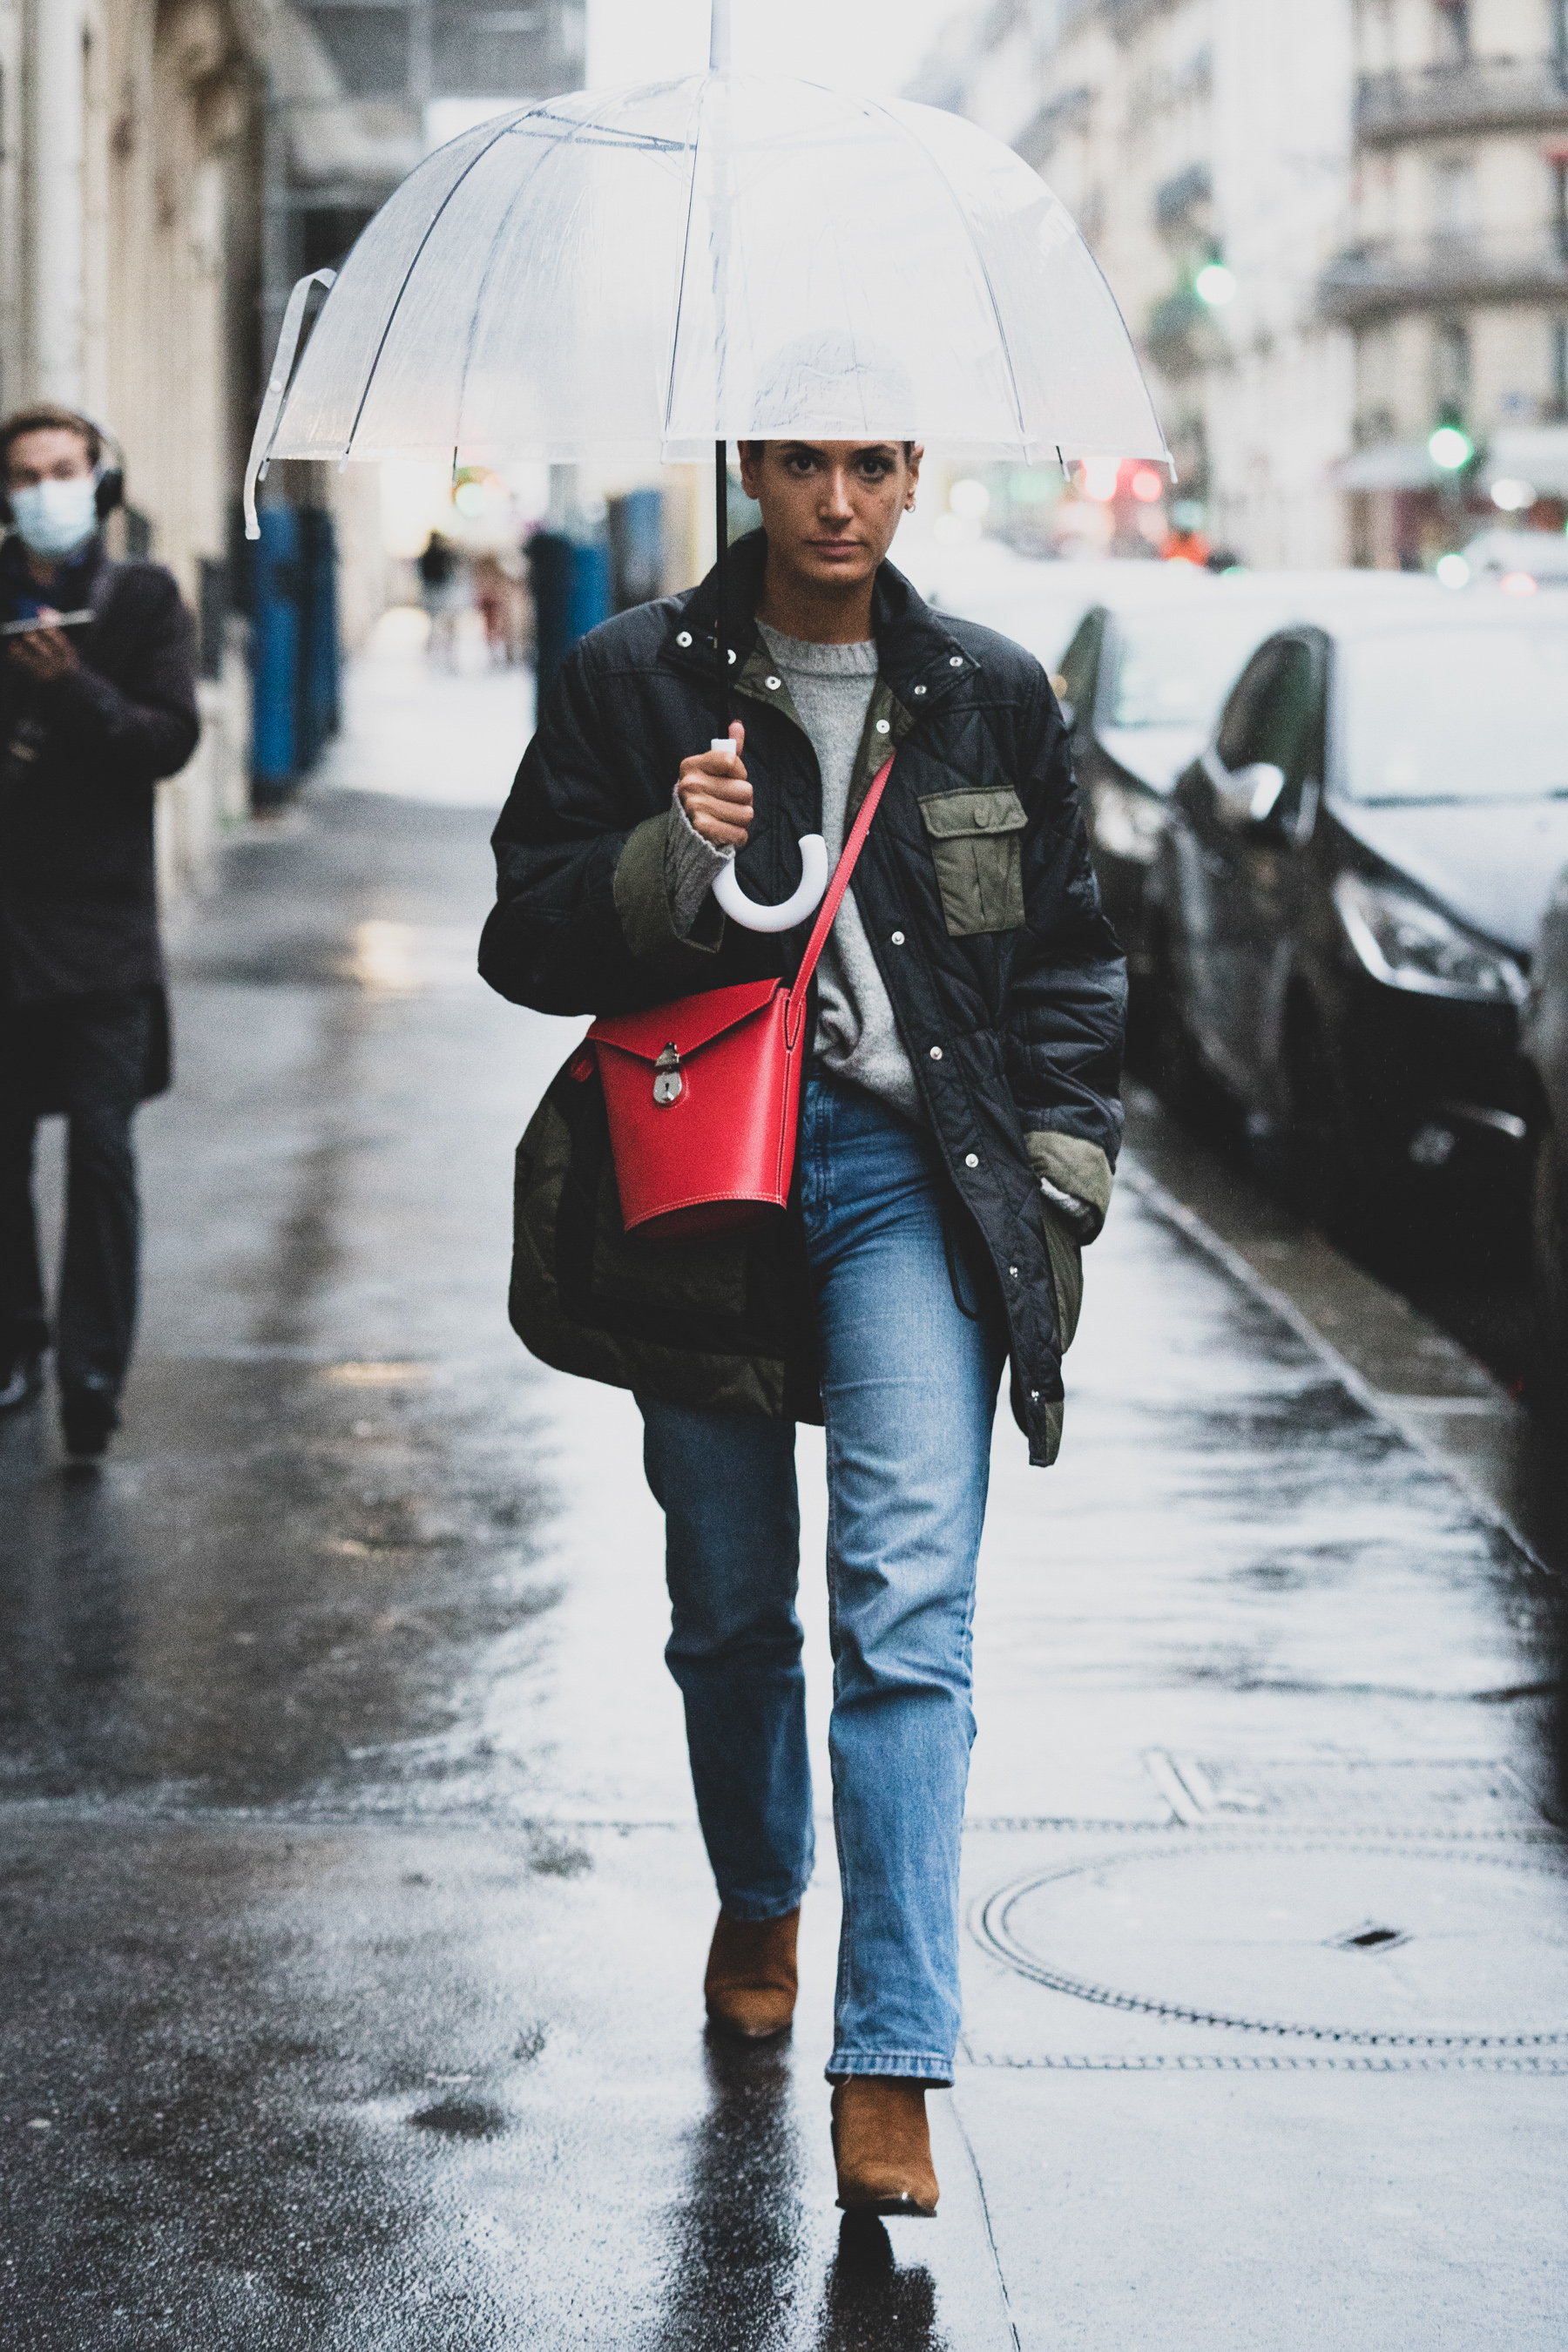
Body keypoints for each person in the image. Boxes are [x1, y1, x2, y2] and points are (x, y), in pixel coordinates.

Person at [480, 438, 1125, 2217]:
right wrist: (662, 859)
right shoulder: (635, 675)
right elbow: (522, 938)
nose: (837, 501)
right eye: (803, 466)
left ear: (913, 474)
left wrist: (1060, 1169)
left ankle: (893, 2052)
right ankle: (760, 1885)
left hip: (922, 1182)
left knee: (908, 1607)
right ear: (753, 471)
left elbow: (1071, 953)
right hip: (697, 1166)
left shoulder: (990, 689)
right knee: (732, 1603)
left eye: (872, 465)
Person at [0, 405, 199, 1458]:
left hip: (107, 929)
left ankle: (90, 1375)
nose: (46, 490)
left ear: (99, 481)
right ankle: (16, 1343)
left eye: (64, 469)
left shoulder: (143, 598)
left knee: (104, 1153)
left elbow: (167, 739)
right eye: (27, 475)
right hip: (7, 921)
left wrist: (68, 687)